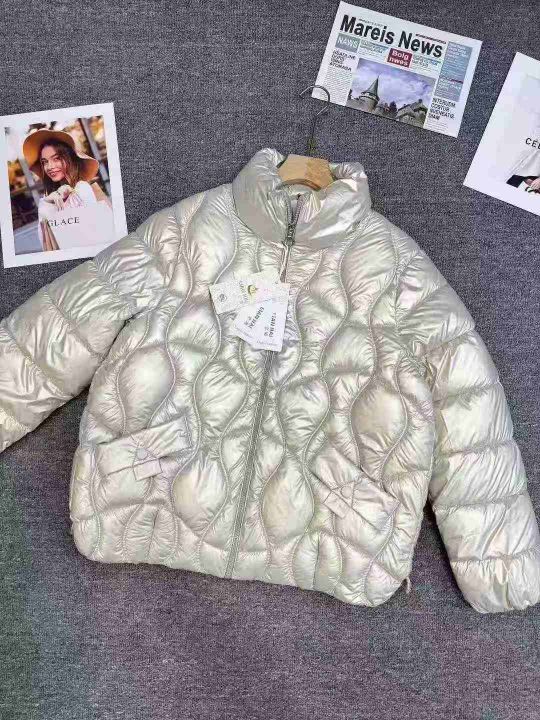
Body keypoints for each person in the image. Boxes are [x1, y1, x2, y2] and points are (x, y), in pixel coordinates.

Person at [22, 128, 112, 251]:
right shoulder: (50, 197)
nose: (50, 167)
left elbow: (84, 233)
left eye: (56, 158)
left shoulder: (81, 188)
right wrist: (46, 203)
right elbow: (46, 242)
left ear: (69, 158)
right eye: (45, 162)